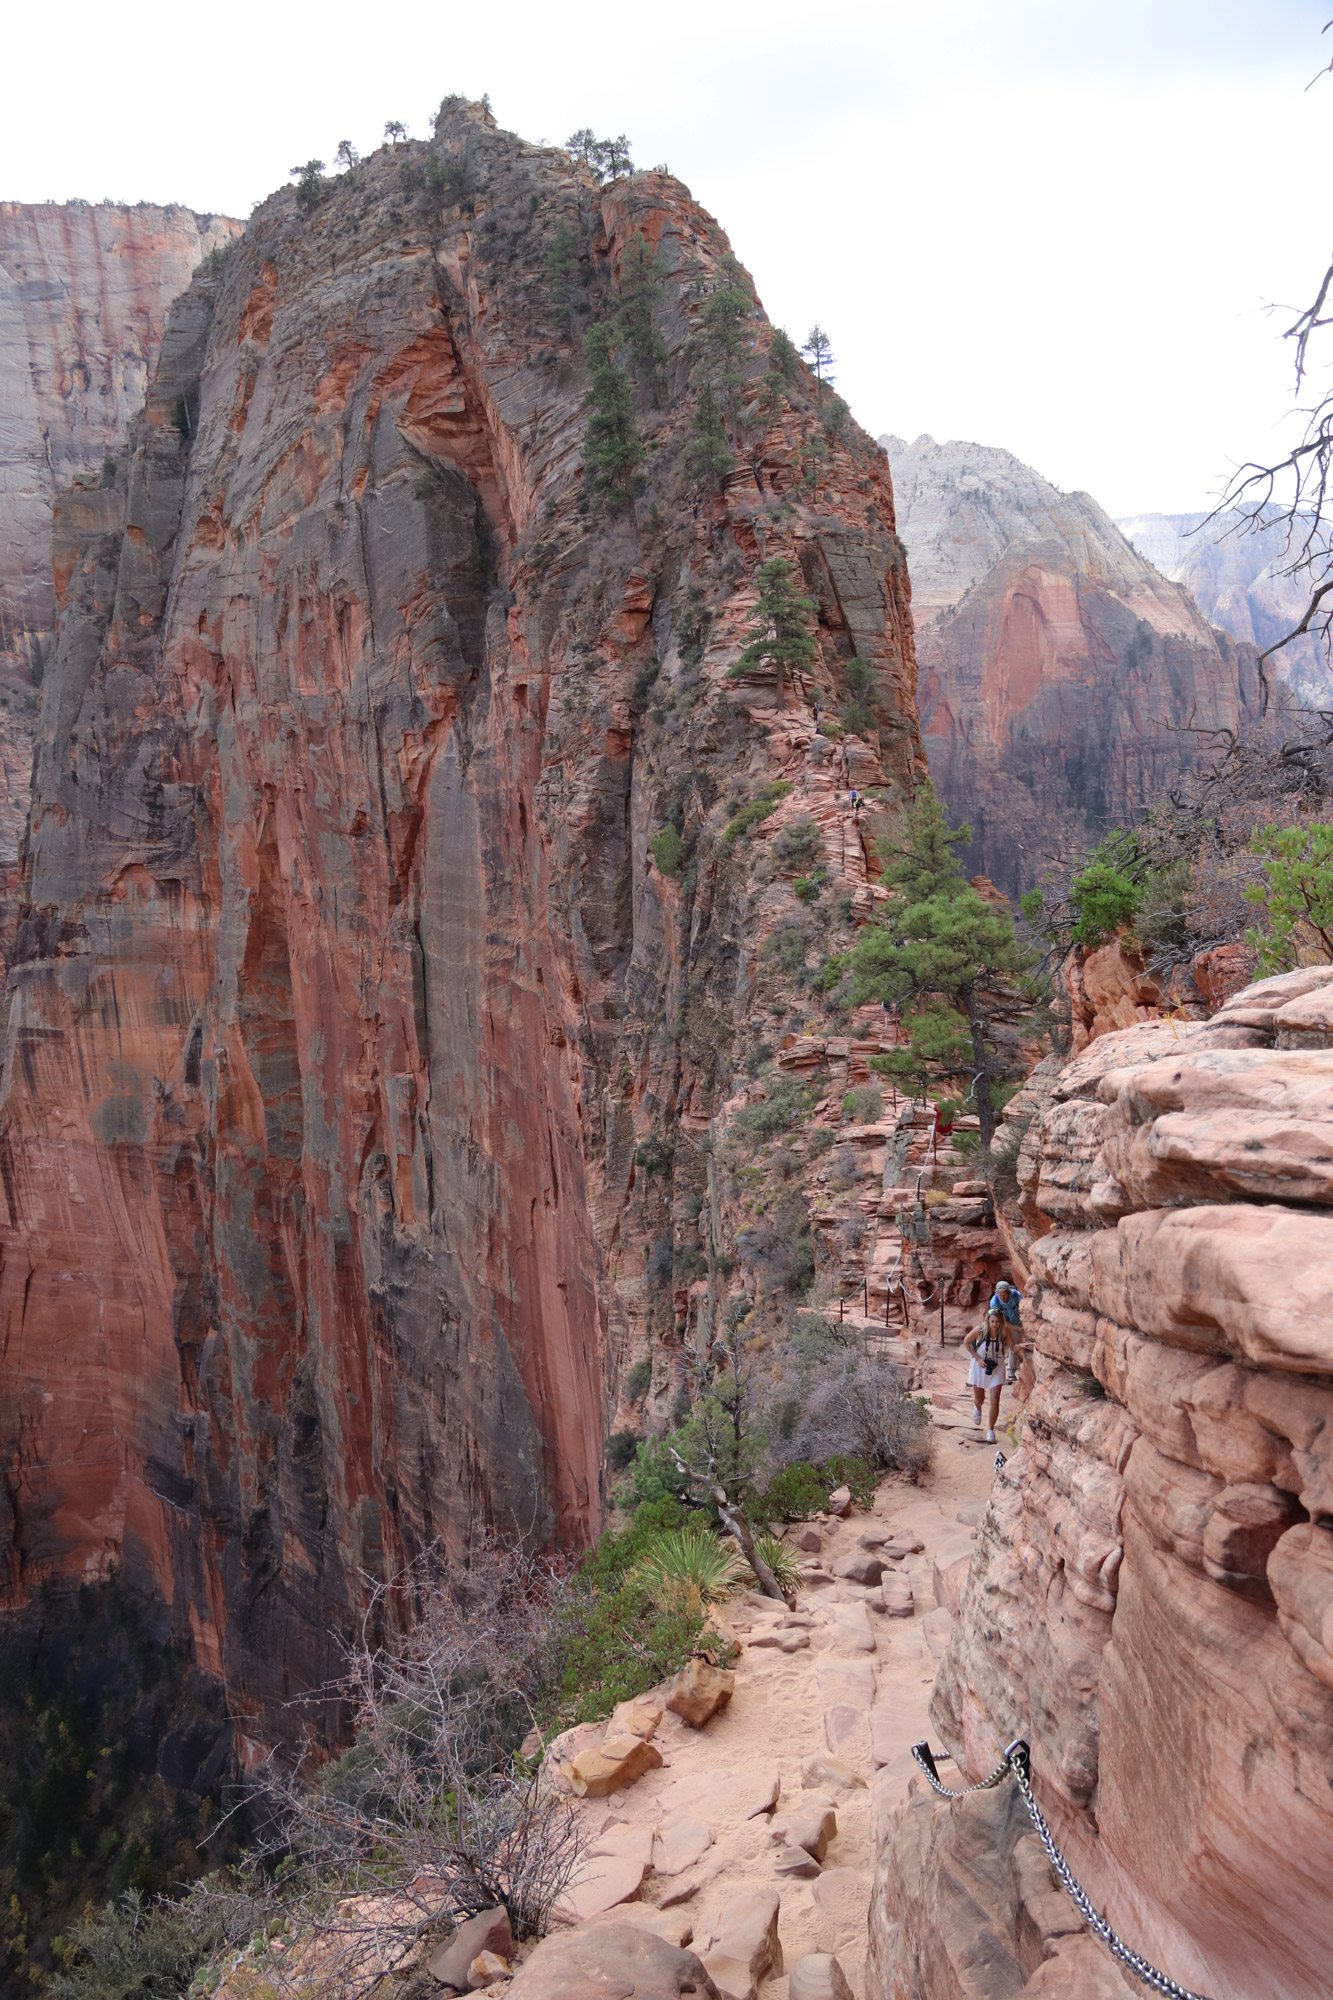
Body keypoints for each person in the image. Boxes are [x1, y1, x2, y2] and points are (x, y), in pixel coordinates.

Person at [963, 1307, 1023, 1443]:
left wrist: (1021, 1346)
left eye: (997, 1322)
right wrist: (977, 1359)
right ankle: (977, 1408)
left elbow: (1012, 1347)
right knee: (980, 1399)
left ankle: (991, 1429)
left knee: (995, 1399)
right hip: (980, 1366)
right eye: (992, 1321)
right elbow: (966, 1341)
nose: (995, 1324)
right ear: (988, 1321)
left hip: (997, 1366)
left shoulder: (1004, 1332)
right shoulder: (980, 1331)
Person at [990, 1278, 1023, 1382]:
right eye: (1000, 1295)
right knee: (997, 1346)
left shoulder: (1015, 1295)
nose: (1002, 1298)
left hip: (1016, 1322)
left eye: (1004, 1295)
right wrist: (1018, 1328)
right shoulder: (994, 1302)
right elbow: (1002, 1321)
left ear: (1009, 1292)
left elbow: (1024, 1307)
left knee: (1014, 1346)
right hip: (1001, 1324)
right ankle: (994, 1372)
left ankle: (1011, 1372)